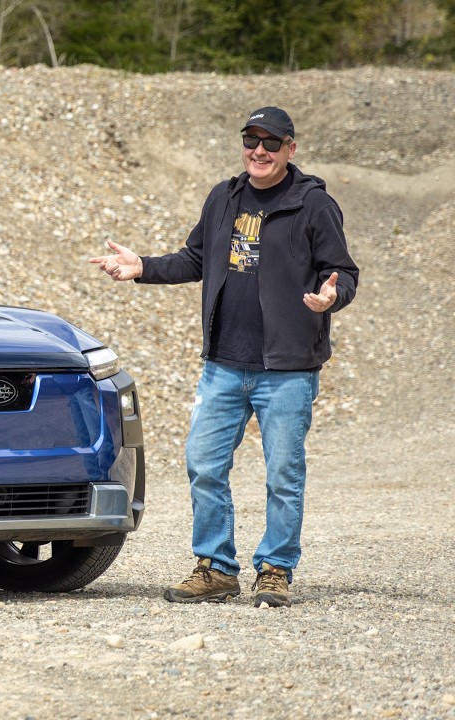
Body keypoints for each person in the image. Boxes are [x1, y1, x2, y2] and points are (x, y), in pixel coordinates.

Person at [89, 106, 359, 608]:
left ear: (290, 149)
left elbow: (343, 272)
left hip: (287, 369)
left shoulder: (314, 204)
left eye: (271, 142)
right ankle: (215, 568)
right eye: (251, 140)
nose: (259, 150)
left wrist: (331, 296)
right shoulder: (224, 197)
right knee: (204, 464)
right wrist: (142, 266)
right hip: (223, 365)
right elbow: (196, 258)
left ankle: (275, 569)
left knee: (283, 475)